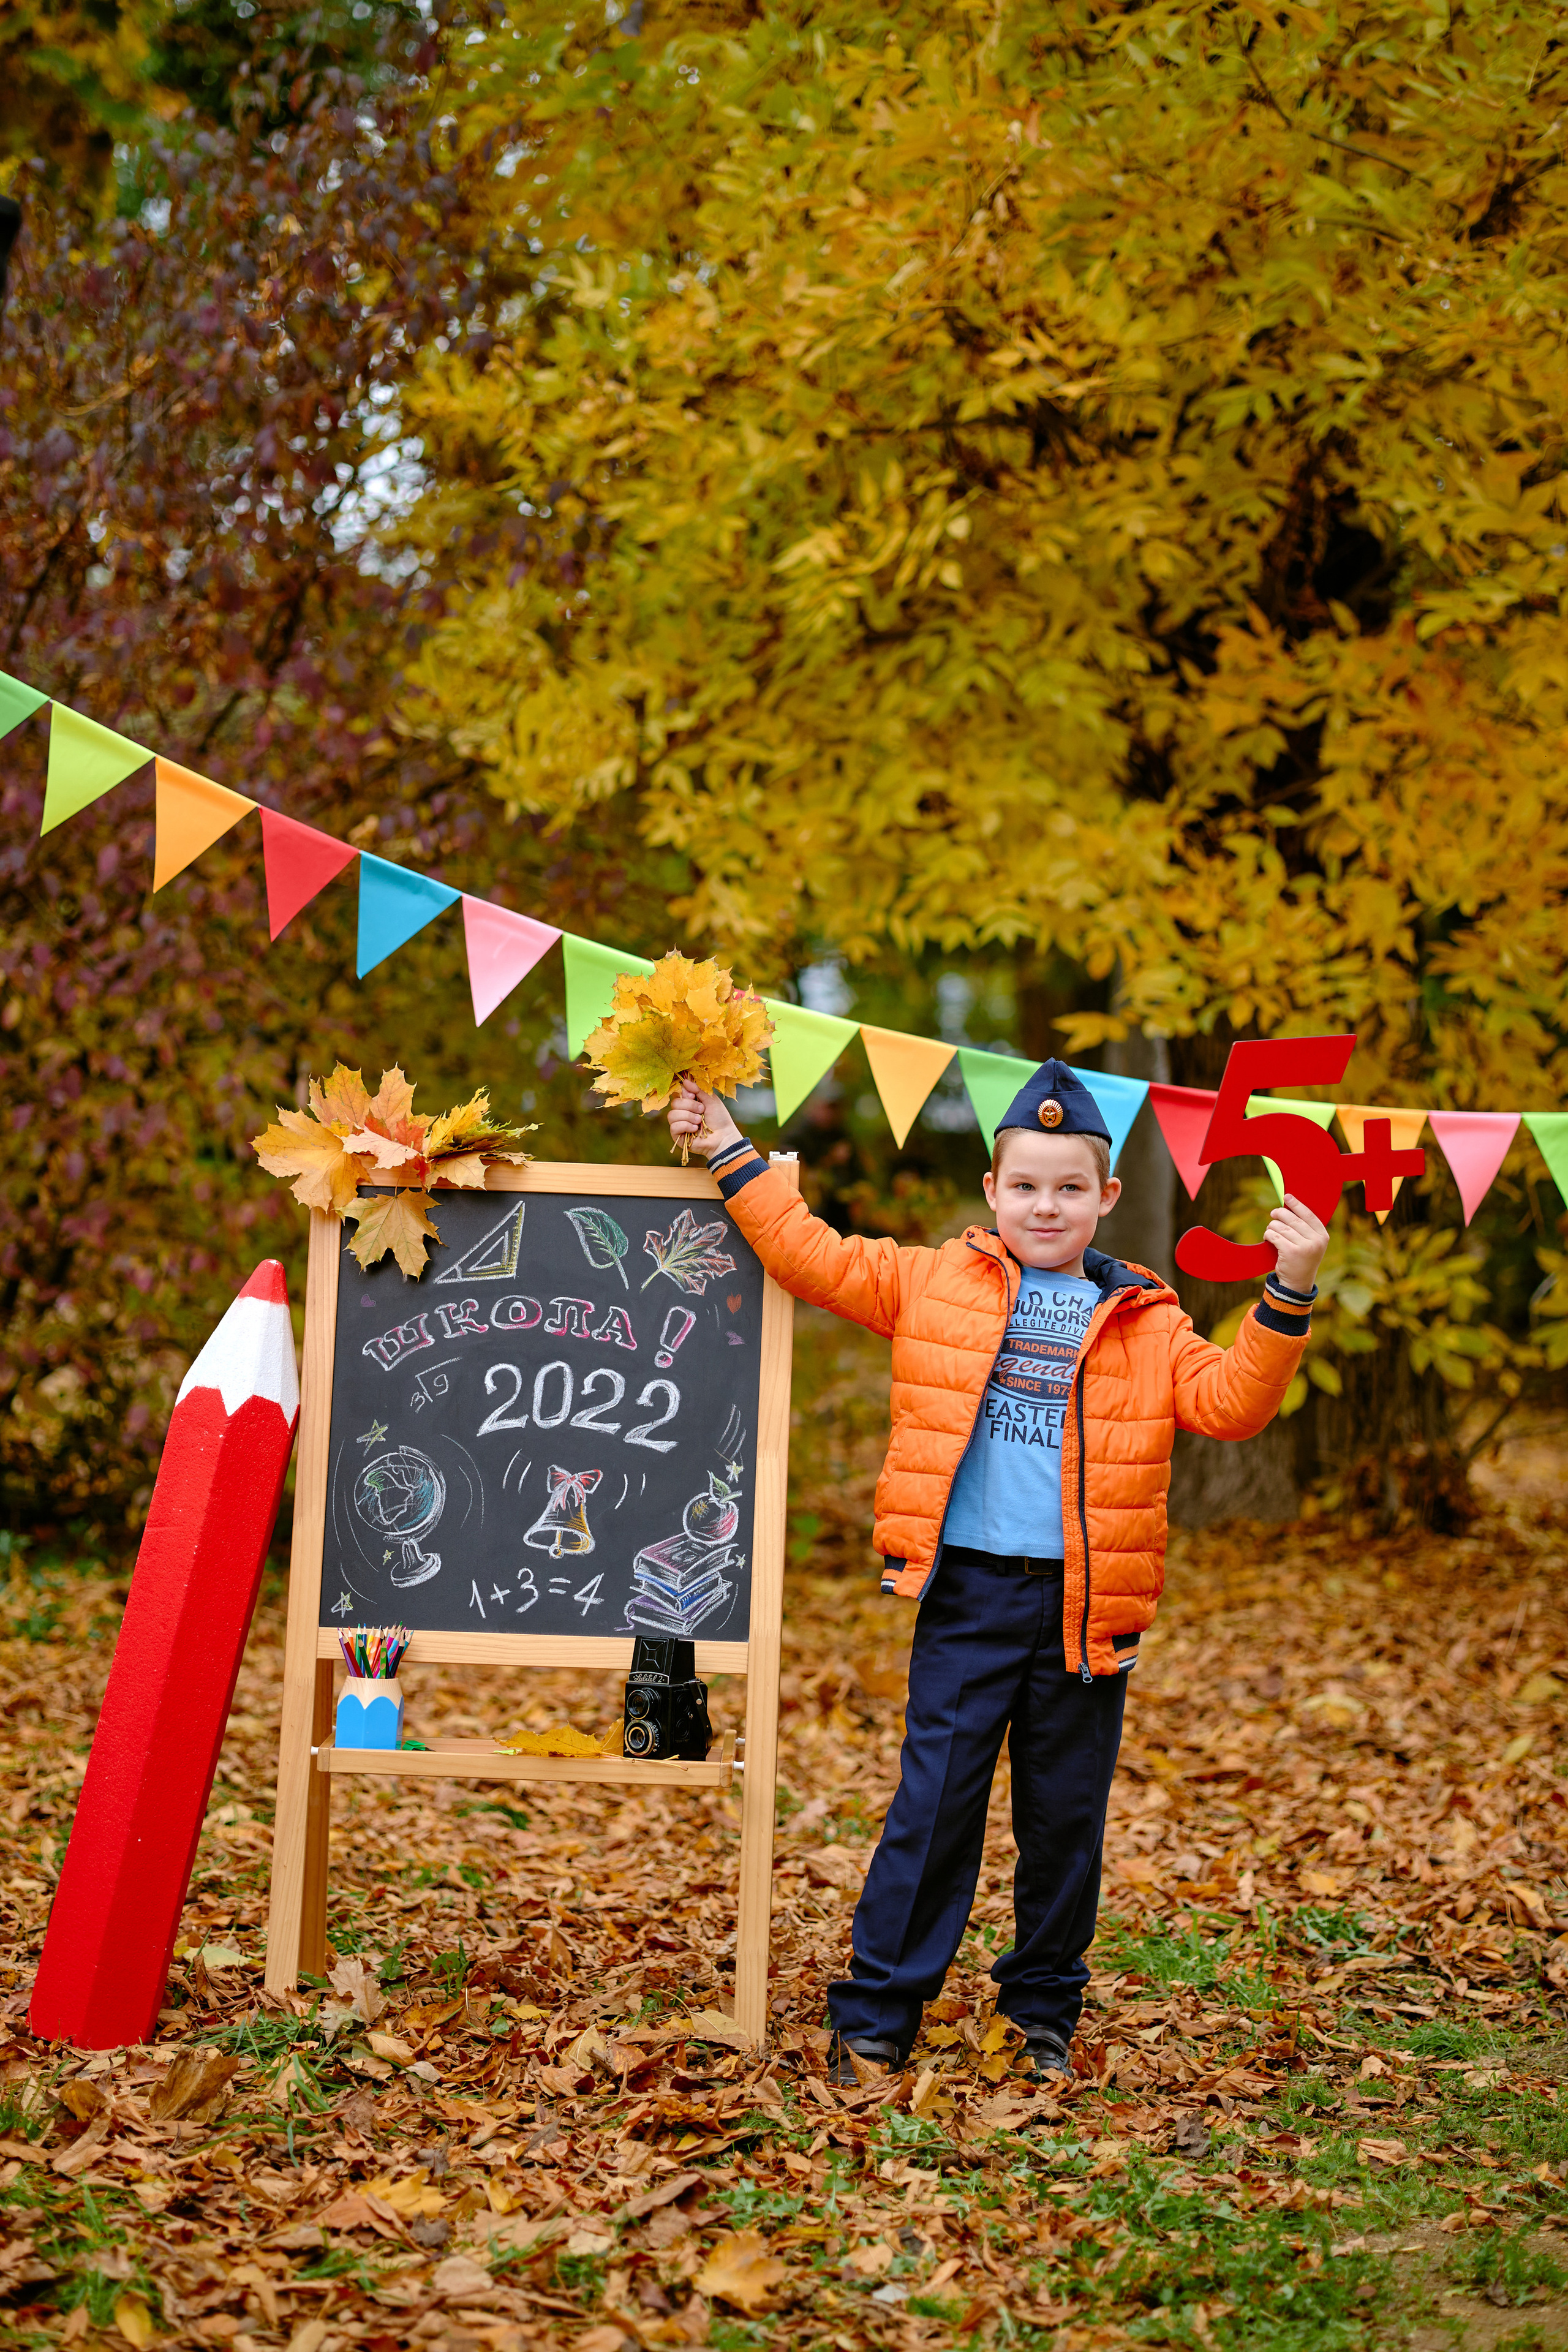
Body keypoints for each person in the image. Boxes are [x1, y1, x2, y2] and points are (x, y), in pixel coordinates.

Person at [668, 1058, 1329, 2084]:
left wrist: (1287, 1292)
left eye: (1070, 1187)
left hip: (1084, 1604)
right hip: (969, 1594)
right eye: (1025, 1185)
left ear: (1106, 1198)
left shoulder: (1149, 1323)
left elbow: (1235, 1404)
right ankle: (879, 2011)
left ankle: (1042, 2014)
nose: (1046, 1205)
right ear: (992, 1191)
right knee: (934, 1806)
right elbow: (813, 1256)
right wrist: (727, 1150)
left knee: (1064, 1820)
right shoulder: (934, 1281)